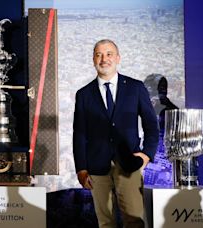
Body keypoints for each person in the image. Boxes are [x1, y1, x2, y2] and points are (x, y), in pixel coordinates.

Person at [73, 39, 159, 228]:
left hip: (129, 163)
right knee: (105, 223)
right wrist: (81, 168)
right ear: (93, 59)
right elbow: (79, 134)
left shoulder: (135, 88)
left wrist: (146, 156)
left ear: (118, 58)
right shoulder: (83, 94)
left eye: (109, 54)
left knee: (134, 220)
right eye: (99, 54)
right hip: (96, 167)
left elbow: (152, 127)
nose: (104, 59)